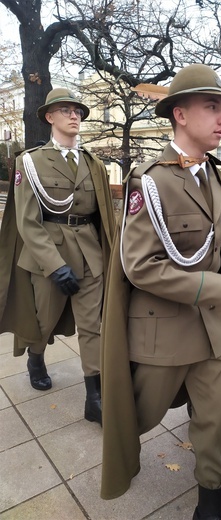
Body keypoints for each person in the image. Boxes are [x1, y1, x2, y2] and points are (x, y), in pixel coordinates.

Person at [100, 64, 221, 519]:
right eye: (212, 107)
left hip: (211, 330)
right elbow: (139, 266)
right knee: (134, 418)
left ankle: (211, 502)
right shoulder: (151, 181)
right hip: (162, 334)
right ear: (180, 114)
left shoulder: (219, 180)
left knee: (216, 422)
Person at [0, 88, 115, 426]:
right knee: (43, 320)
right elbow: (27, 221)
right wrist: (54, 265)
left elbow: (101, 215)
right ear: (50, 117)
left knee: (93, 326)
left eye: (78, 110)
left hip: (90, 253)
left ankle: (94, 396)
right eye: (66, 110)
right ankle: (36, 357)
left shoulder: (93, 164)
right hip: (48, 255)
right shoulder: (30, 162)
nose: (74, 115)